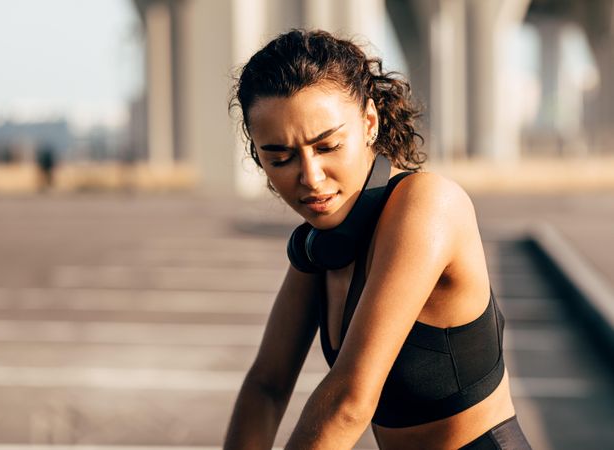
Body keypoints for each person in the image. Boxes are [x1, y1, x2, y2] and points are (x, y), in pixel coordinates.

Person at [223, 29, 531, 450]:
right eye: (280, 157)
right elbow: (267, 385)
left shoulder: (428, 205)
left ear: (369, 122)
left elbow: (350, 401)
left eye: (327, 146)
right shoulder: (325, 242)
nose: (310, 178)